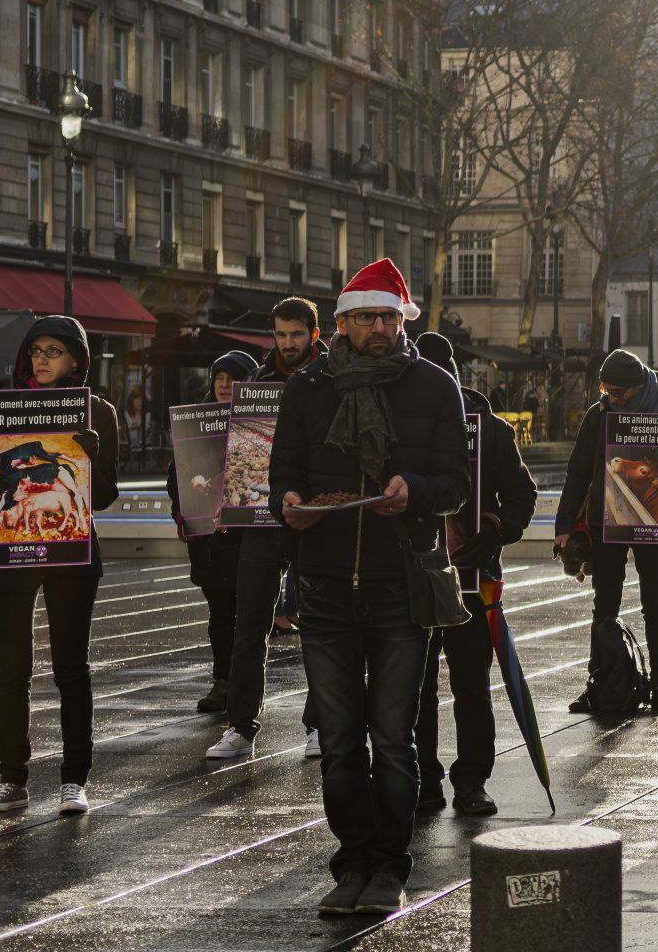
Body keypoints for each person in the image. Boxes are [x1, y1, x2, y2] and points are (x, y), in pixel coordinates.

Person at [269, 258, 470, 916]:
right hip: (323, 586)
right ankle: (350, 861)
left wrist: (414, 494)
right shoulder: (306, 390)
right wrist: (292, 503)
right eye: (366, 318)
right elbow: (281, 481)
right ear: (343, 323)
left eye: (388, 317)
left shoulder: (435, 387)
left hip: (396, 586)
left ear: (403, 320)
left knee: (393, 739)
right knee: (337, 744)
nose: (378, 328)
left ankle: (388, 865)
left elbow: (456, 485)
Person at [0, 316, 123, 817]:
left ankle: (74, 780)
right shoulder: (3, 407)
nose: (42, 358)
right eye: (36, 349)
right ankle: (11, 778)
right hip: (11, 554)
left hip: (70, 553)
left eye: (54, 350)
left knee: (70, 669)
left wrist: (91, 456)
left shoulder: (97, 410)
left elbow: (101, 496)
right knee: (11, 671)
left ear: (76, 360)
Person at [411, 332, 537, 818]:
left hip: (471, 577)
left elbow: (522, 496)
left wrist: (499, 529)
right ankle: (424, 778)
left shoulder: (491, 432)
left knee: (469, 683)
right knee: (416, 684)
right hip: (417, 576)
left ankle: (471, 780)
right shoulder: (402, 426)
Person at [555, 349, 658, 716]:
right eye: (607, 390)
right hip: (606, 522)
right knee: (604, 603)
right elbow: (578, 472)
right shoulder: (600, 414)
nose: (611, 398)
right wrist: (562, 528)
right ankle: (599, 680)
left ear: (640, 386)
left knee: (656, 601)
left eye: (619, 393)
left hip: (657, 526)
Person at [212, 299, 326, 761]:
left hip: (314, 515)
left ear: (314, 333)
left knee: (320, 624)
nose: (289, 343)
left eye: (296, 334)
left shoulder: (330, 380)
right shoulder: (257, 385)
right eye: (280, 335)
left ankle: (320, 724)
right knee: (249, 623)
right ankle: (241, 725)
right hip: (262, 518)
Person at [179, 350, 257, 717]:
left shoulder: (259, 420)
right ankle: (224, 679)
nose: (225, 385)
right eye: (219, 378)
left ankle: (245, 683)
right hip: (210, 541)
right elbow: (177, 474)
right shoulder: (194, 422)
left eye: (233, 378)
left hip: (250, 539)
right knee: (220, 616)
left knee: (250, 617)